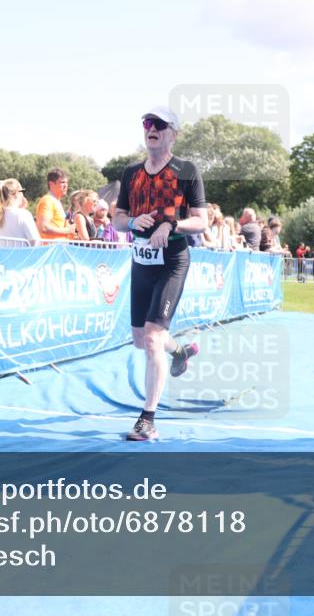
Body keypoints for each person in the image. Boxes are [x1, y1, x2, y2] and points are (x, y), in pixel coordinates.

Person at [112, 106, 208, 441]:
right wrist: (131, 223)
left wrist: (172, 225)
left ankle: (147, 419)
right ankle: (180, 351)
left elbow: (202, 220)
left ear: (173, 133)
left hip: (172, 260)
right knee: (142, 340)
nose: (151, 128)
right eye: (147, 123)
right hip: (141, 263)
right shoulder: (131, 173)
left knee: (153, 337)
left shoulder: (186, 171)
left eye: (159, 124)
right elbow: (118, 218)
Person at [0, 179, 40, 246]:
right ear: (16, 194)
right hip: (23, 255)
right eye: (22, 191)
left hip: (5, 255)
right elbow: (36, 241)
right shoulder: (24, 215)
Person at [36, 168, 75, 241]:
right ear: (51, 184)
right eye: (62, 182)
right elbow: (43, 227)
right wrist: (68, 230)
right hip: (51, 249)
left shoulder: (56, 201)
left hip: (58, 248)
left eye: (67, 183)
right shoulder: (47, 200)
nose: (66, 185)